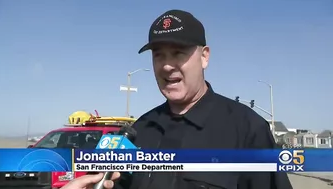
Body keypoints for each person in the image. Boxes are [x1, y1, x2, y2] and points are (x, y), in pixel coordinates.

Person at [62, 9, 293, 189]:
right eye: (158, 55)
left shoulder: (247, 130)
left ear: (204, 57)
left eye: (178, 53)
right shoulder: (140, 130)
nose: (166, 65)